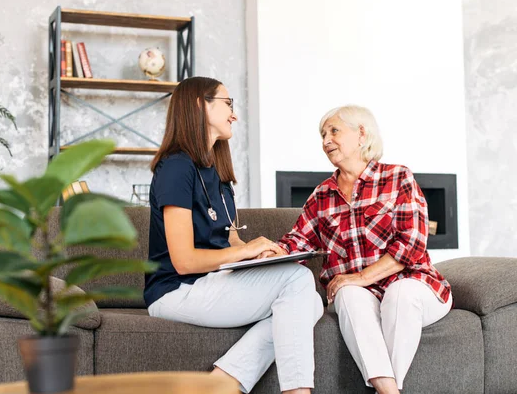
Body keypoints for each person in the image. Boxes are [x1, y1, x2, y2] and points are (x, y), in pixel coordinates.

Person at [144, 76, 324, 394]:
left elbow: (229, 239)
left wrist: (257, 253)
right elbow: (184, 261)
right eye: (228, 104)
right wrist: (245, 251)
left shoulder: (218, 174)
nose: (234, 114)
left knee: (311, 301)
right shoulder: (176, 169)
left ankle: (222, 383)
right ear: (201, 105)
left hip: (213, 282)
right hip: (175, 290)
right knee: (296, 282)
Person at [273, 105, 452, 394]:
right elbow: (297, 242)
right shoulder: (322, 195)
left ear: (361, 134)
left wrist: (359, 276)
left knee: (399, 292)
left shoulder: (398, 178)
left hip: (415, 286)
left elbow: (411, 245)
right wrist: (265, 253)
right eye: (322, 134)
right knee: (346, 293)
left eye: (334, 131)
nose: (325, 140)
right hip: (362, 296)